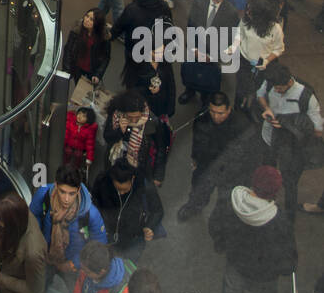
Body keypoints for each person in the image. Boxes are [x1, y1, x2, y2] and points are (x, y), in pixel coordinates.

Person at [212, 165, 297, 293]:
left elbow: (215, 225)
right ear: (275, 191)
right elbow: (288, 260)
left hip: (235, 265)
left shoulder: (233, 201)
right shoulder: (278, 221)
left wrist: (222, 244)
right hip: (264, 274)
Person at [30, 164, 107, 293]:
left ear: (78, 190)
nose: (66, 199)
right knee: (37, 290)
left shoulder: (90, 214)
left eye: (71, 194)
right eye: (63, 192)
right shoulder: (43, 196)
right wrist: (38, 243)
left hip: (73, 264)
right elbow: (32, 217)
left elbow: (99, 246)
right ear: (56, 185)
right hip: (46, 257)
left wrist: (75, 264)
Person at [256, 62, 324, 215]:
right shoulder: (269, 83)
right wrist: (266, 108)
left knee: (290, 181)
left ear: (289, 82)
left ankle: (289, 213)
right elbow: (260, 95)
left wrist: (290, 125)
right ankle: (266, 204)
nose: (277, 91)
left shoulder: (305, 95)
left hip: (292, 147)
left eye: (280, 89)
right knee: (267, 173)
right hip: (269, 139)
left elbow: (317, 127)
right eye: (275, 89)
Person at [177, 92, 255, 223]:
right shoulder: (202, 118)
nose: (216, 116)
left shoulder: (242, 125)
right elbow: (197, 140)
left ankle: (221, 219)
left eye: (220, 113)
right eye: (212, 111)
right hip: (206, 164)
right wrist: (195, 157)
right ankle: (194, 207)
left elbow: (247, 154)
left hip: (230, 168)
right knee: (199, 189)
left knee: (225, 198)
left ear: (229, 109)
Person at [179, 0, 240, 106]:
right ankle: (189, 91)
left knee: (208, 77)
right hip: (196, 48)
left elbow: (228, 38)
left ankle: (205, 98)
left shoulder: (231, 12)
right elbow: (191, 25)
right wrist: (193, 48)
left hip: (212, 53)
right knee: (191, 71)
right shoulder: (199, 1)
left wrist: (212, 56)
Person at [92, 159, 164, 261]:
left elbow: (157, 211)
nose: (121, 193)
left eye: (125, 189)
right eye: (118, 189)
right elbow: (94, 203)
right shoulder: (102, 182)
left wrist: (149, 226)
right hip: (105, 235)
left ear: (133, 179)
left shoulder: (144, 188)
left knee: (125, 271)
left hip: (133, 241)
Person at [103, 89, 170, 185]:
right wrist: (120, 131)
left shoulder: (151, 121)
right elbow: (107, 138)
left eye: (137, 117)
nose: (134, 121)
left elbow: (161, 147)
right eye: (130, 117)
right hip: (116, 162)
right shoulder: (116, 116)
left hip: (140, 164)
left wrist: (158, 175)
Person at [111, 0, 172, 79]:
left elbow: (119, 27)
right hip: (155, 51)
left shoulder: (132, 9)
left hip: (135, 52)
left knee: (133, 77)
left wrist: (109, 35)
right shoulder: (164, 6)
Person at [235, 0, 284, 112]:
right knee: (241, 87)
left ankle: (251, 109)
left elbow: (279, 48)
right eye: (247, 10)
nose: (247, 13)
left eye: (251, 11)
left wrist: (266, 61)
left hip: (263, 65)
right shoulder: (245, 20)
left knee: (257, 89)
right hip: (244, 62)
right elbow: (239, 33)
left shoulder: (275, 28)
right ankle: (238, 107)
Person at [62, 8, 111, 86]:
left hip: (92, 72)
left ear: (97, 23)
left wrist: (98, 75)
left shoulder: (103, 38)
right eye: (87, 16)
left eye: (91, 19)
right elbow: (68, 50)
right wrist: (66, 70)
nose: (87, 20)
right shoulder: (76, 31)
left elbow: (105, 57)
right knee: (78, 87)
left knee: (86, 92)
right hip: (77, 68)